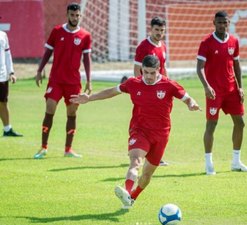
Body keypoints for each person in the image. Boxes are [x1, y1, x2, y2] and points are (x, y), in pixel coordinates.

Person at [70, 55, 200, 208]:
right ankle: (126, 192)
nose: (149, 76)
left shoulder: (169, 85)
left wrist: (192, 104)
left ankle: (132, 197)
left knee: (146, 175)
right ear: (141, 70)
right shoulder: (133, 83)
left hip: (161, 135)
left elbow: (187, 98)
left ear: (159, 70)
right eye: (146, 72)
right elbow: (112, 91)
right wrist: (89, 98)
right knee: (135, 162)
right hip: (140, 131)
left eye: (153, 73)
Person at [196, 11, 247, 175]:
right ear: (214, 22)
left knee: (240, 123)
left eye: (225, 22)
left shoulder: (234, 41)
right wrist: (206, 87)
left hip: (231, 90)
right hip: (214, 92)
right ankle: (209, 164)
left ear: (229, 23)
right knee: (211, 125)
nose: (222, 25)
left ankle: (236, 162)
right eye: (219, 22)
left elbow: (237, 66)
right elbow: (199, 68)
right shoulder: (206, 42)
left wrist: (240, 87)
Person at [33, 2, 92, 159]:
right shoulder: (57, 31)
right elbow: (47, 52)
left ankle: (68, 150)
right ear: (67, 15)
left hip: (73, 82)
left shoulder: (85, 35)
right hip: (56, 80)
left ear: (80, 15)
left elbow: (87, 59)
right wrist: (39, 70)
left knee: (72, 113)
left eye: (77, 15)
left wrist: (89, 80)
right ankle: (43, 147)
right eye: (72, 15)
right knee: (50, 109)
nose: (75, 18)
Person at [134, 16, 168, 166]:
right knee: (144, 123)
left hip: (160, 92)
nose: (159, 33)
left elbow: (163, 68)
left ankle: (155, 156)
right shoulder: (143, 47)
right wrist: (141, 90)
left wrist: (167, 85)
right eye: (156, 30)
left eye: (162, 30)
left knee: (160, 123)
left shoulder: (163, 46)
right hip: (146, 92)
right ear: (151, 29)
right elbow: (137, 70)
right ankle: (137, 149)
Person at [0, 30, 22, 137]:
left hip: (2, 76)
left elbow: (7, 54)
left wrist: (11, 72)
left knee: (3, 103)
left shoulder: (3, 35)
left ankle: (7, 130)